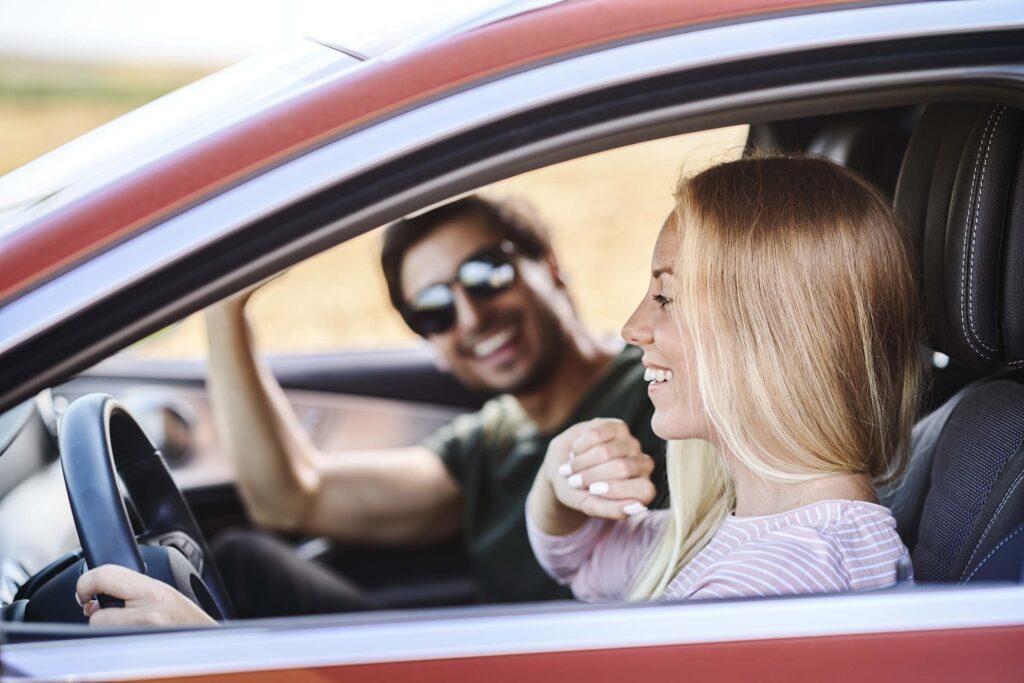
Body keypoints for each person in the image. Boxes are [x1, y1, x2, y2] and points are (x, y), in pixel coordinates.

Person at [74, 195, 666, 626]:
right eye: (433, 310)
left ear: (549, 264)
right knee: (242, 561)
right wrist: (226, 310)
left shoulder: (663, 390)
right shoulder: (489, 443)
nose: (470, 317)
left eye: (486, 274)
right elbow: (291, 497)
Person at [526, 156, 923, 601]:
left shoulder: (782, 580)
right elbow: (582, 562)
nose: (631, 329)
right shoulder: (734, 535)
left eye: (667, 297)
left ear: (776, 332)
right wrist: (560, 473)